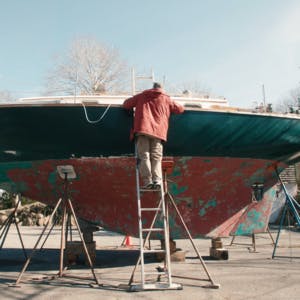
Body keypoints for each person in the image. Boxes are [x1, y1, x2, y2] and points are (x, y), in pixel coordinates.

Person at [123, 82, 184, 189]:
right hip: (158, 132)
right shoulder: (166, 99)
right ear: (161, 89)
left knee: (144, 156)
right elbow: (180, 109)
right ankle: (157, 180)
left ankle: (148, 181)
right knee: (156, 157)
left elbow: (126, 104)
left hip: (143, 129)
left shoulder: (142, 96)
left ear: (152, 88)